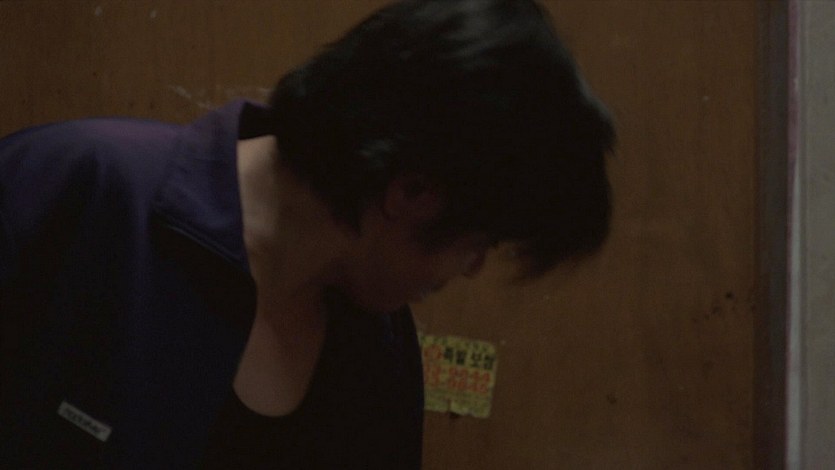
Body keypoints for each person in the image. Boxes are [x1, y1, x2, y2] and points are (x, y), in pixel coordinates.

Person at [0, 0, 615, 468]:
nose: (473, 268)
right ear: (412, 193)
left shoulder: (380, 348)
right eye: (481, 242)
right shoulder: (72, 192)